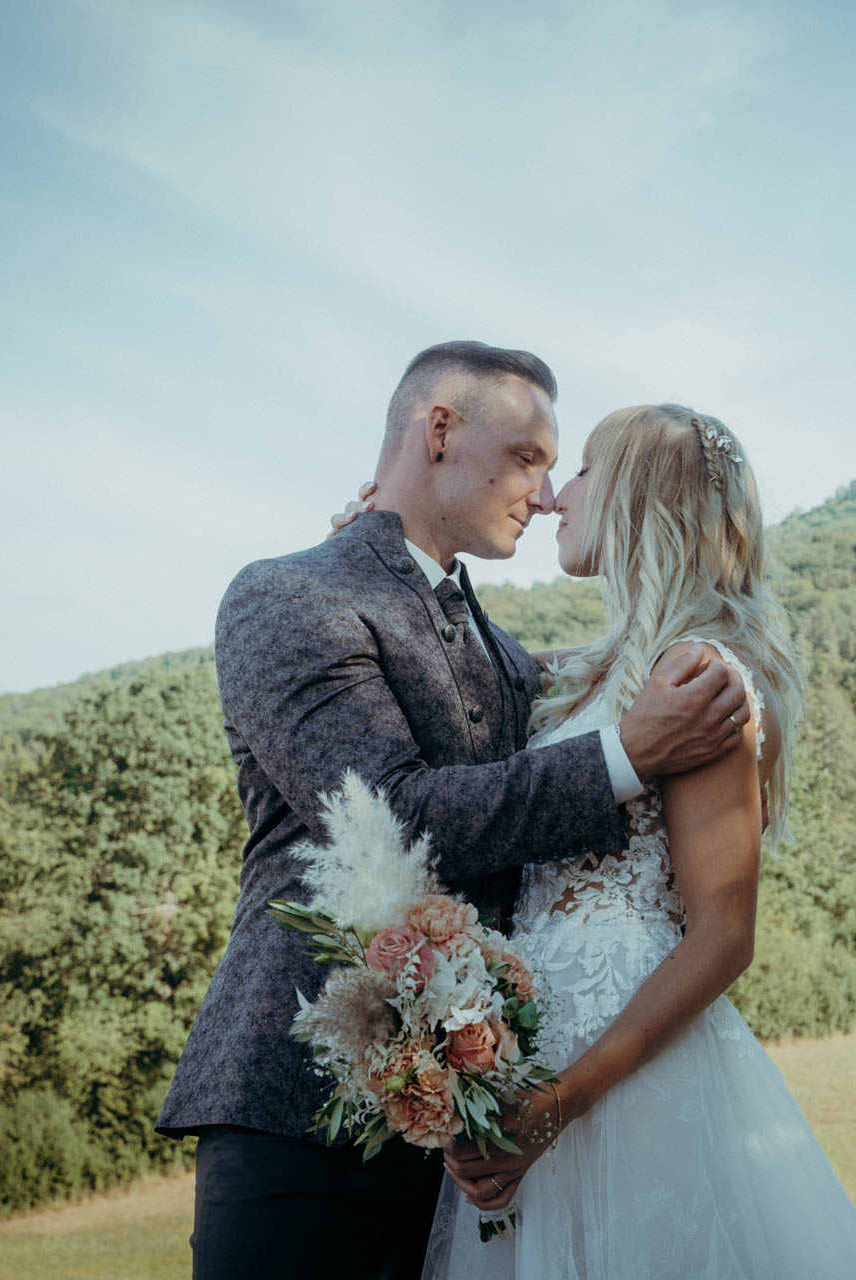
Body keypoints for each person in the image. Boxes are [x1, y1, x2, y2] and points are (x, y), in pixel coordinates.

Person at [156, 343, 751, 1280]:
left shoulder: (509, 653)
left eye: (561, 469)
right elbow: (385, 813)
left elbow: (594, 683)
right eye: (527, 458)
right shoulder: (290, 597)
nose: (547, 492)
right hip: (299, 1104)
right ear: (439, 430)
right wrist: (625, 754)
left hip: (465, 1138)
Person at [416, 404, 856, 1279]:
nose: (557, 497)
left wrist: (556, 1108)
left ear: (639, 494)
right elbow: (481, 663)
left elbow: (724, 934)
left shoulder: (700, 674)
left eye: (586, 469)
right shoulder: (597, 671)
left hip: (624, 1083)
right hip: (534, 1053)